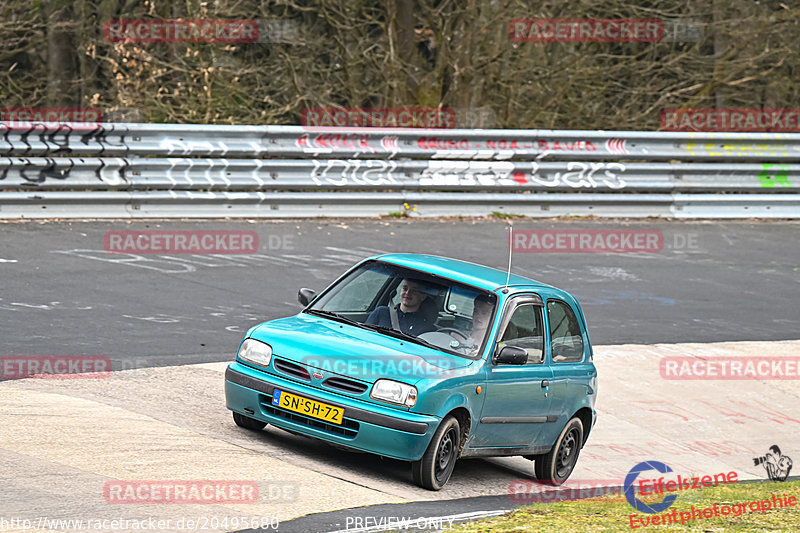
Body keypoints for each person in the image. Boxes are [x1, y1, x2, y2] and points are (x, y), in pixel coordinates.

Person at [365, 278, 435, 336]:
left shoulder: (426, 327)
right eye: (405, 288)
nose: (407, 293)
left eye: (414, 291)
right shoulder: (381, 312)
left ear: (423, 296)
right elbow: (365, 335)